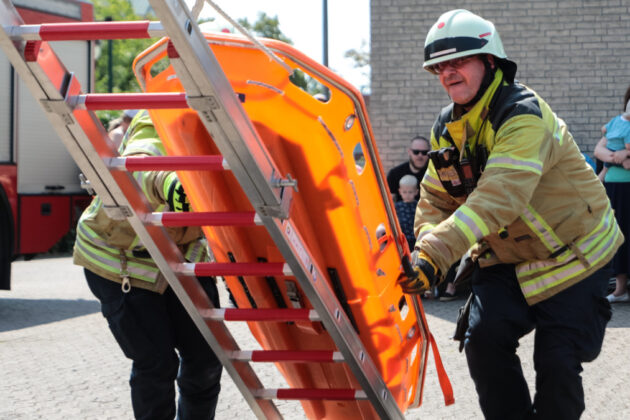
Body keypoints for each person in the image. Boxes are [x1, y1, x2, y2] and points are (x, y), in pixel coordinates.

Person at [398, 9, 623, 419]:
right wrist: (428, 249)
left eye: (459, 62)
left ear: (489, 61)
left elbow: (500, 197)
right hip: (507, 259)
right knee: (481, 339)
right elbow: (434, 198)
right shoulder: (446, 129)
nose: (448, 73)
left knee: (556, 361)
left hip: (574, 256)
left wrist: (437, 252)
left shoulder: (524, 115)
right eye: (440, 67)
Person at [74, 110, 222, 419]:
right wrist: (171, 185)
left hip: (181, 257)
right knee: (156, 363)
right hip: (121, 260)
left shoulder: (239, 125)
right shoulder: (159, 112)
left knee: (207, 358)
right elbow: (139, 166)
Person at [594, 87, 630, 303]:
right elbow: (600, 150)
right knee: (619, 235)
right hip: (615, 187)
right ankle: (620, 289)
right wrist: (619, 156)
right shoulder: (616, 123)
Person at [386, 135, 430, 202]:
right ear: (409, 152)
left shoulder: (434, 174)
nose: (420, 156)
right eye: (416, 152)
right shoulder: (395, 174)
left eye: (424, 152)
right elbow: (388, 201)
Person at [395, 174, 419, 251]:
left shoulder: (418, 205)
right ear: (400, 191)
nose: (407, 195)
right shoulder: (397, 206)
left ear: (416, 192)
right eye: (404, 192)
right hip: (402, 240)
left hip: (416, 240)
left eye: (410, 192)